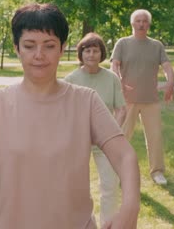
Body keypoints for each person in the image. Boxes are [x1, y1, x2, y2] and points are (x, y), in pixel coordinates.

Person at [0, 3, 140, 229]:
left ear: (62, 48)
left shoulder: (86, 101)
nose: (39, 55)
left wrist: (129, 207)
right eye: (29, 46)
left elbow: (124, 156)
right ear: (17, 48)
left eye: (49, 46)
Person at [64, 32, 126, 227]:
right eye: (87, 50)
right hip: (77, 141)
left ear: (102, 54)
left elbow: (121, 110)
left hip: (105, 141)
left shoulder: (111, 78)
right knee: (75, 186)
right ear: (81, 54)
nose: (91, 54)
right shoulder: (70, 79)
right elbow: (64, 112)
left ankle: (108, 224)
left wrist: (108, 133)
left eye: (95, 50)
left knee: (110, 185)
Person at [111, 9, 174, 185]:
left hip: (151, 100)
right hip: (127, 100)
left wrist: (170, 82)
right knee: (122, 136)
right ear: (132, 23)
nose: (141, 24)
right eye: (138, 21)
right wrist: (119, 82)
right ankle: (116, 171)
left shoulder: (156, 45)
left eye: (144, 21)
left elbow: (167, 67)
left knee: (155, 137)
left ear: (149, 24)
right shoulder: (122, 43)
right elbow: (114, 66)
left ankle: (157, 172)